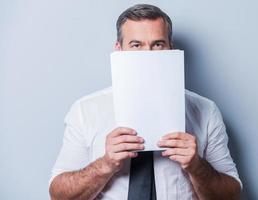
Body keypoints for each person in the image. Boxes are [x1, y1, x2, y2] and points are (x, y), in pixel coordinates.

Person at [49, 4, 242, 200]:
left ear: (170, 49)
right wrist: (105, 164)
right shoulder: (85, 110)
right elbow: (58, 195)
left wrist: (196, 166)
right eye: (136, 45)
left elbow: (232, 195)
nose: (147, 54)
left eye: (157, 44)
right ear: (119, 49)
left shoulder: (206, 111)